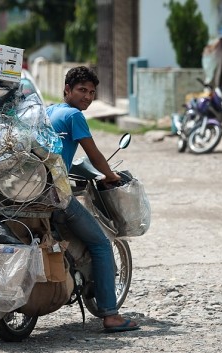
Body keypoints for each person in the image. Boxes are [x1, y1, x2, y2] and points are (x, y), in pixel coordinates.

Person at [46, 66, 140, 333]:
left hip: (33, 193)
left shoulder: (49, 111)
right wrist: (109, 175)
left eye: (91, 92)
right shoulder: (74, 115)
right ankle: (111, 315)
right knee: (100, 243)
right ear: (67, 90)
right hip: (57, 196)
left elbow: (57, 153)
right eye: (81, 90)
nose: (87, 97)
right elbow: (94, 153)